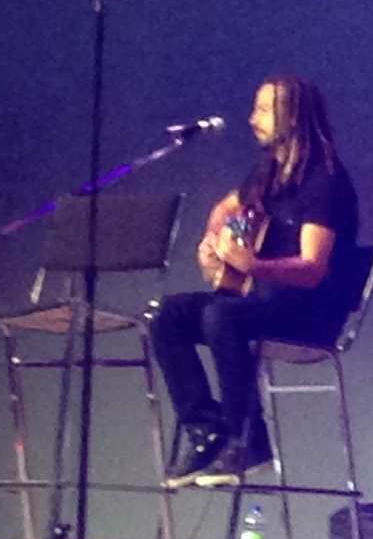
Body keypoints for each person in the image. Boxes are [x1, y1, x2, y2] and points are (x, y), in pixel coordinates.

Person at [151, 75, 361, 481]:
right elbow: (223, 209)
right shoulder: (267, 175)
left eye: (263, 110)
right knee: (169, 316)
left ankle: (250, 440)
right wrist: (214, 242)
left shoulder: (324, 181)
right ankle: (206, 430)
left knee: (222, 316)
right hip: (264, 303)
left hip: (311, 313)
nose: (252, 119)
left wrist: (252, 266)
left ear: (292, 116)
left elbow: (313, 268)